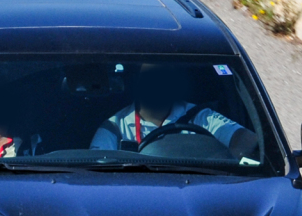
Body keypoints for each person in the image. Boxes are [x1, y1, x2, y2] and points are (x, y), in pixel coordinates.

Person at [90, 64, 257, 158]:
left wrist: (226, 163)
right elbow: (98, 176)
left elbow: (247, 140)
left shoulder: (200, 117)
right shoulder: (114, 129)